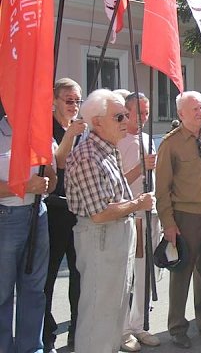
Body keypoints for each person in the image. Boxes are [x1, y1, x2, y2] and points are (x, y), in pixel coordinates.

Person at [65, 89, 154, 352]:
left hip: (116, 236)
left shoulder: (108, 150)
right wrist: (138, 204)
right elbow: (100, 212)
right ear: (97, 122)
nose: (126, 121)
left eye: (126, 115)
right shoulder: (88, 155)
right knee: (98, 314)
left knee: (114, 313)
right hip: (101, 238)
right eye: (119, 117)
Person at [155, 91, 201, 349]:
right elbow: (162, 189)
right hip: (185, 217)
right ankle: (177, 328)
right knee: (181, 273)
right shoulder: (170, 143)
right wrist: (168, 224)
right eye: (195, 108)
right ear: (181, 114)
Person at [0, 110, 57, 353]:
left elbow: (52, 182)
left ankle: (31, 348)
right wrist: (23, 187)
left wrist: (48, 178)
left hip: (38, 214)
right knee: (2, 292)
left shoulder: (39, 132)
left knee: (34, 291)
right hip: (6, 218)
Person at [43, 78, 86, 352]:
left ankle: (77, 329)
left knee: (79, 274)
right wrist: (69, 136)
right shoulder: (47, 127)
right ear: (55, 100)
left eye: (77, 101)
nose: (74, 106)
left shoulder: (82, 129)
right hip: (53, 210)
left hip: (78, 211)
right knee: (47, 276)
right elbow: (59, 162)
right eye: (69, 100)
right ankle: (46, 332)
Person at [118, 92, 161, 350]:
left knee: (147, 272)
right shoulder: (118, 139)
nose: (144, 117)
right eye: (140, 112)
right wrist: (140, 168)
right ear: (127, 111)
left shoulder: (147, 138)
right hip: (129, 213)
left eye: (147, 112)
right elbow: (116, 179)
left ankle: (140, 323)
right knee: (128, 274)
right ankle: (123, 329)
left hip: (150, 211)